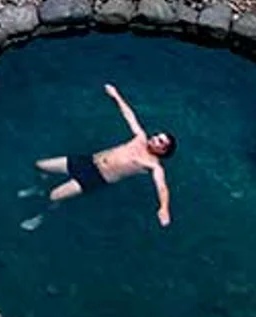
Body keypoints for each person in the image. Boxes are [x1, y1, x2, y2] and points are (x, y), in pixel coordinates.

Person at [33, 84, 175, 228]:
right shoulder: (141, 138)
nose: (155, 138)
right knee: (40, 165)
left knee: (54, 196)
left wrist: (164, 208)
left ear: (163, 150)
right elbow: (129, 115)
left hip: (96, 178)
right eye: (157, 136)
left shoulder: (153, 166)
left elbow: (162, 187)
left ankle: (41, 216)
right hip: (88, 161)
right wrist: (116, 95)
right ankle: (39, 187)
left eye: (160, 140)